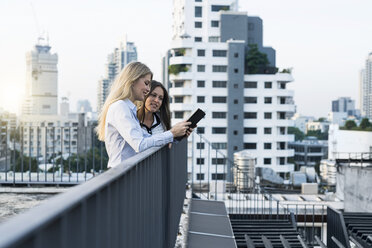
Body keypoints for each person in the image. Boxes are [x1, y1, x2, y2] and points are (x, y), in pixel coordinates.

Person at [96, 62, 190, 168]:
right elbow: (140, 145)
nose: (148, 89)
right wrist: (172, 133)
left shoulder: (128, 109)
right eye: (146, 83)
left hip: (127, 173)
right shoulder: (120, 107)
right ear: (132, 81)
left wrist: (177, 134)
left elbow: (148, 138)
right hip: (121, 175)